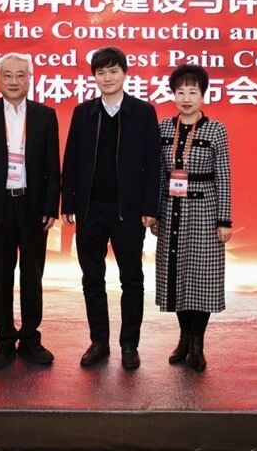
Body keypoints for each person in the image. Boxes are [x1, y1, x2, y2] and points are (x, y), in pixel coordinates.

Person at [61, 46, 160, 370]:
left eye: (113, 71)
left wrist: (150, 207)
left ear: (125, 74)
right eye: (101, 72)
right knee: (92, 279)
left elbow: (153, 164)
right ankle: (99, 342)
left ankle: (129, 344)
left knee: (132, 280)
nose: (107, 77)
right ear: (94, 77)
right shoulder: (84, 112)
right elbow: (71, 160)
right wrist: (69, 202)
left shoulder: (143, 112)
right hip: (90, 211)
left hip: (128, 212)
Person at [0, 53, 60, 370]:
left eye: (21, 75)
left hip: (33, 207)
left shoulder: (45, 115)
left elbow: (52, 166)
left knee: (32, 277)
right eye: (7, 75)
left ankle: (31, 339)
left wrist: (51, 206)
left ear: (30, 79)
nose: (14, 81)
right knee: (0, 277)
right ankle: (4, 341)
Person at [153, 64, 232, 372]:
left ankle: (197, 344)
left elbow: (223, 176)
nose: (186, 98)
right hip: (171, 211)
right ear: (173, 95)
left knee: (201, 279)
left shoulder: (216, 129)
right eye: (180, 92)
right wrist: (155, 212)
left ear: (203, 95)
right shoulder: (164, 128)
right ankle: (184, 338)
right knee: (176, 277)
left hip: (205, 212)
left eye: (193, 92)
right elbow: (158, 174)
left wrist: (224, 220)